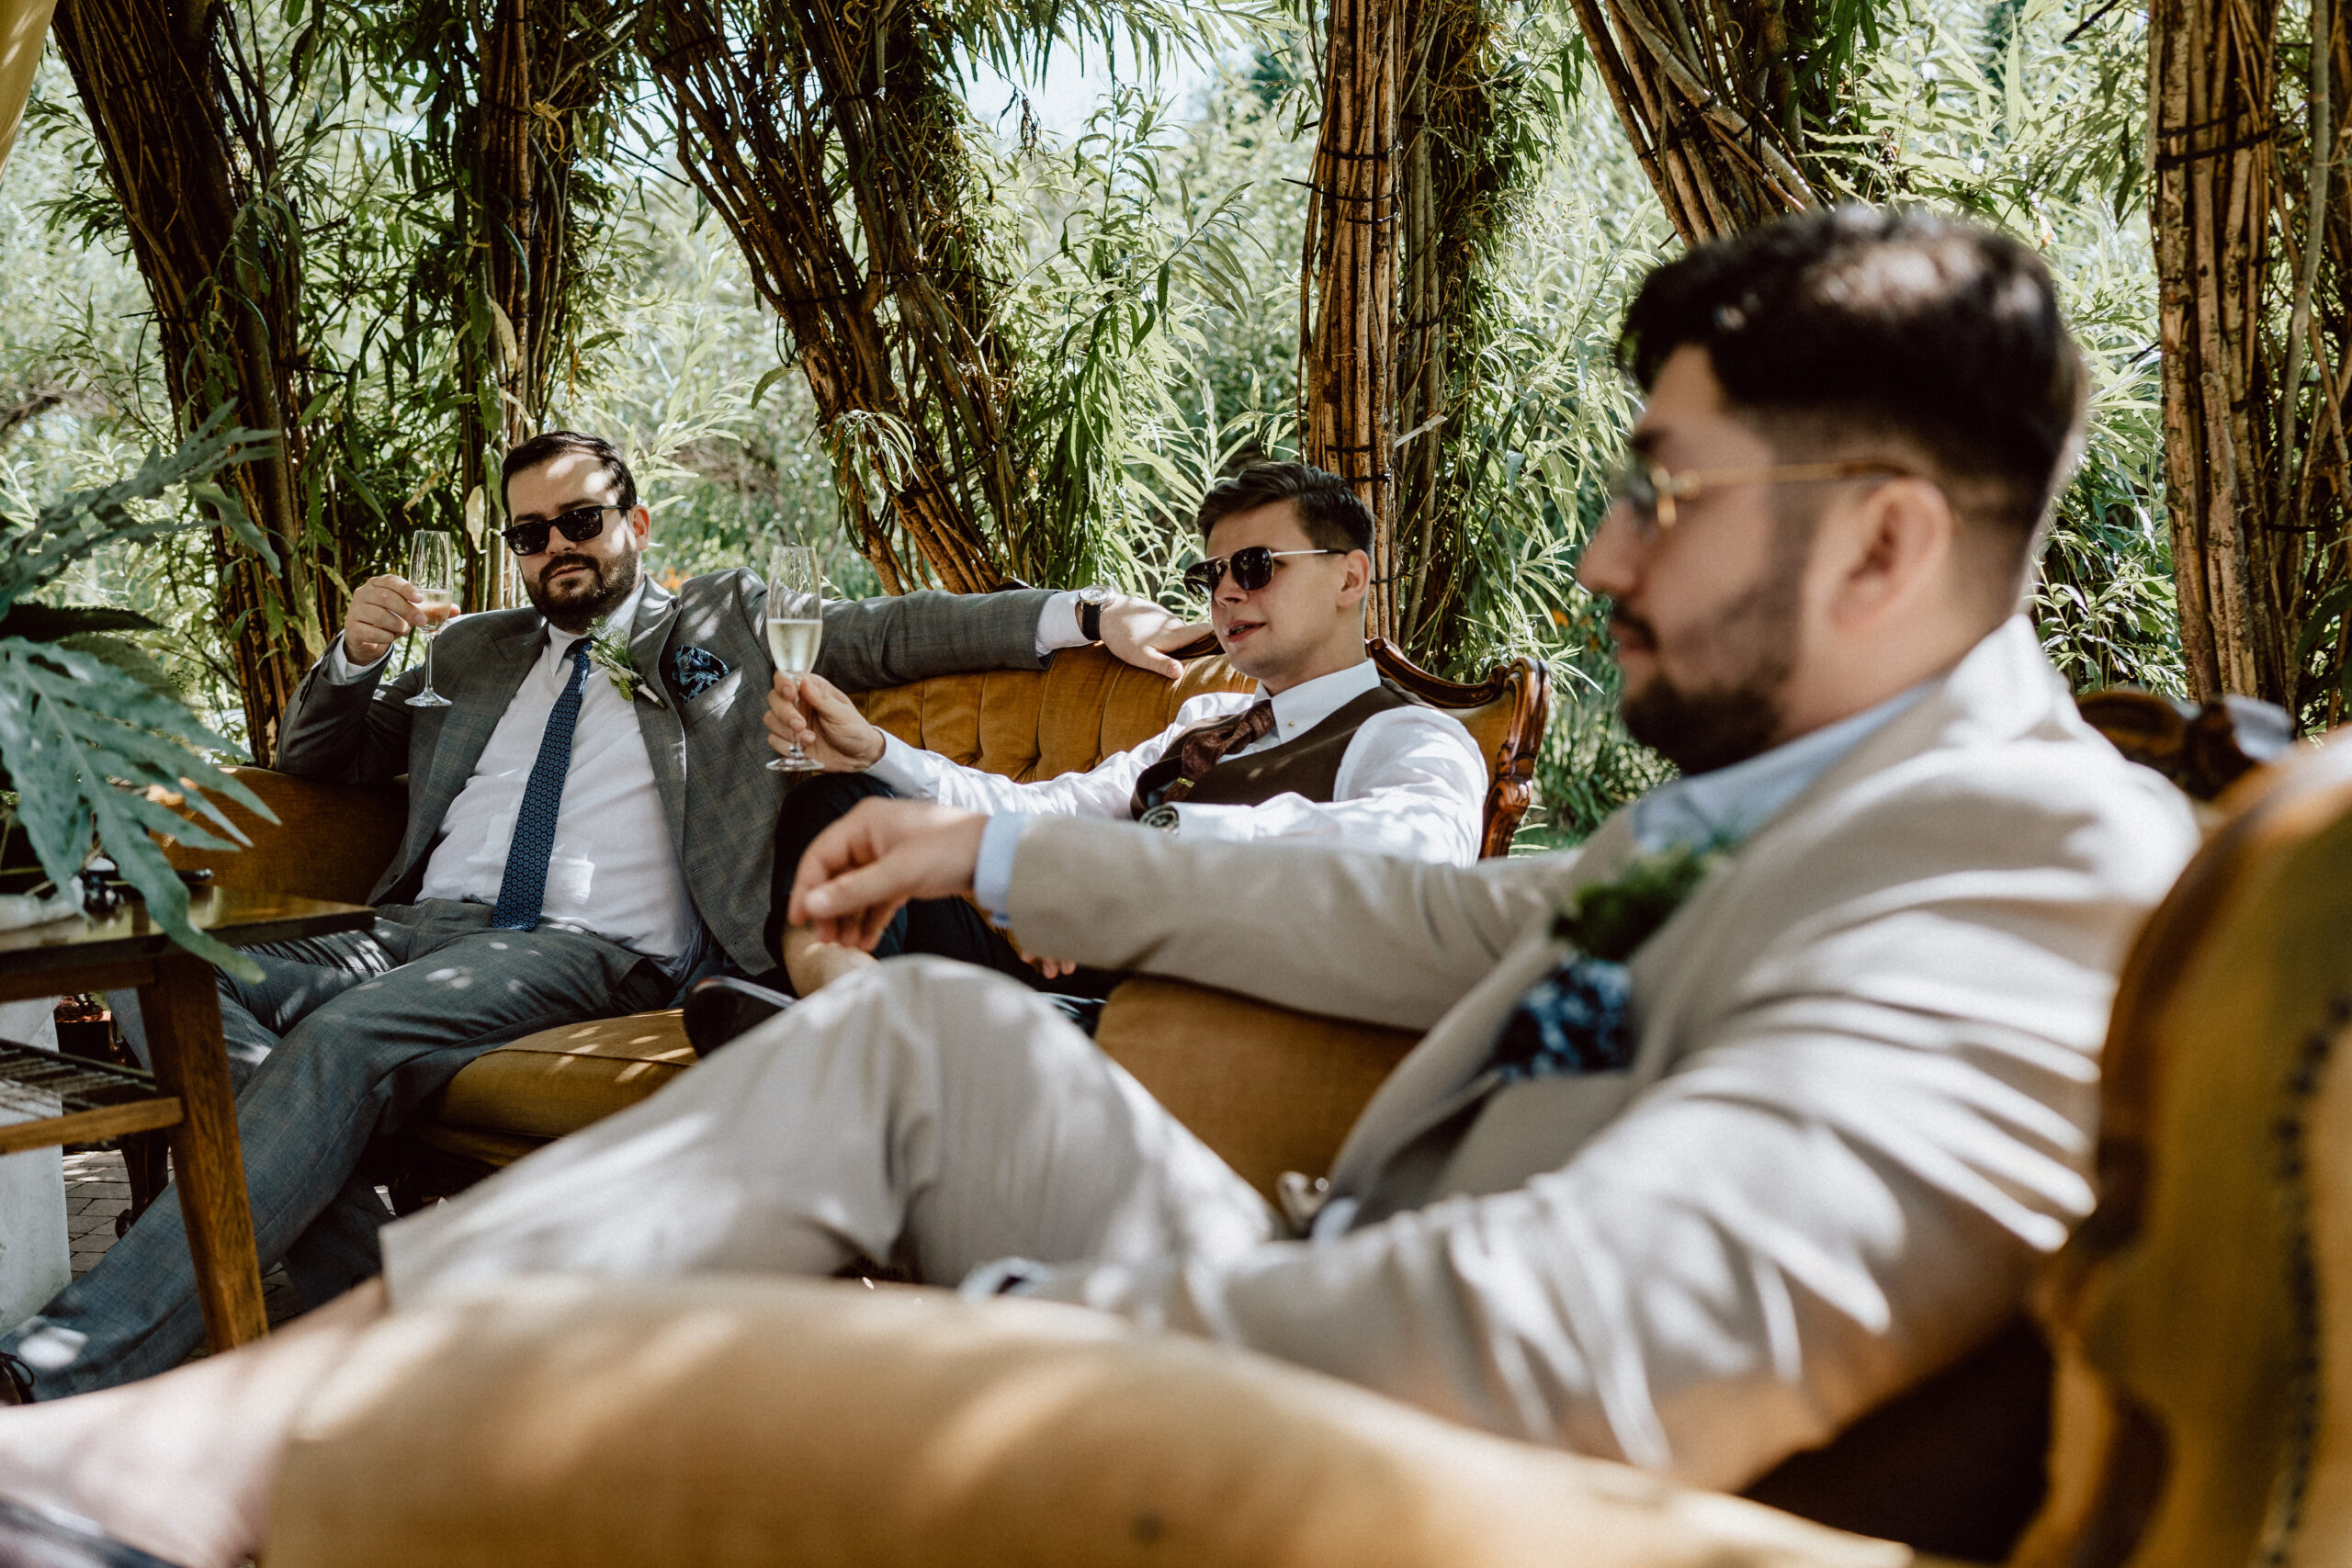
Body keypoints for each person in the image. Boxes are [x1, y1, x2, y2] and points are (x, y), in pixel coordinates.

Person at [0, 207, 2205, 1568]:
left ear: (1883, 538)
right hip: (1327, 1256)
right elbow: (1460, 929)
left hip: (1389, 1429)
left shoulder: (2004, 887)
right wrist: (1003, 842)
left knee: (734, 1178)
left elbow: (1554, 1352)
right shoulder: (1785, 805)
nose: (1608, 553)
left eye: (1667, 493)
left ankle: (203, 1467)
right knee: (919, 1041)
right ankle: (168, 1453)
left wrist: (987, 1337)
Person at [0, 430, 1202, 1401]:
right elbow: (322, 760)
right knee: (165, 972)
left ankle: (61, 1364)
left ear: (635, 523)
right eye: (530, 535)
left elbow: (904, 631)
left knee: (349, 1037)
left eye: (580, 520)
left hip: (586, 948)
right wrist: (356, 657)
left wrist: (1091, 614)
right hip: (414, 927)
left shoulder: (720, 624)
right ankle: (369, 1311)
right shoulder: (473, 651)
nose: (557, 549)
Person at [757, 461, 1487, 1004]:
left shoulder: (1412, 736)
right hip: (1072, 992)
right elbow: (1050, 809)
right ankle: (847, 1010)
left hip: (1190, 1025)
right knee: (844, 803)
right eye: (1213, 574)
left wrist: (1100, 872)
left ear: (1350, 579)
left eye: (1257, 566)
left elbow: (1410, 862)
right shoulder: (1207, 721)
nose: (1227, 592)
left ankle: (843, 1043)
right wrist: (878, 751)